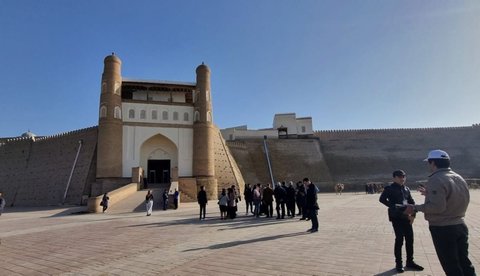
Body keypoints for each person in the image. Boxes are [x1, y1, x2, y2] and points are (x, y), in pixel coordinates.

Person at [405, 150, 476, 276]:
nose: (429, 166)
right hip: (460, 225)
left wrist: (415, 208)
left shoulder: (436, 179)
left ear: (433, 163)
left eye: (429, 163)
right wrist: (430, 194)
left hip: (444, 229)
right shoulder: (458, 177)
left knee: (451, 265)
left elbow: (437, 207)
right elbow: (458, 197)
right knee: (464, 262)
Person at [379, 170, 423, 273]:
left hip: (407, 217)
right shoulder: (389, 188)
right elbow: (382, 199)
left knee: (410, 239)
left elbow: (412, 202)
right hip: (396, 217)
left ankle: (410, 262)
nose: (402, 179)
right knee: (399, 239)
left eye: (403, 177)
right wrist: (393, 207)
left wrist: (413, 215)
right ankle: (399, 263)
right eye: (400, 177)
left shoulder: (406, 188)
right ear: (394, 178)